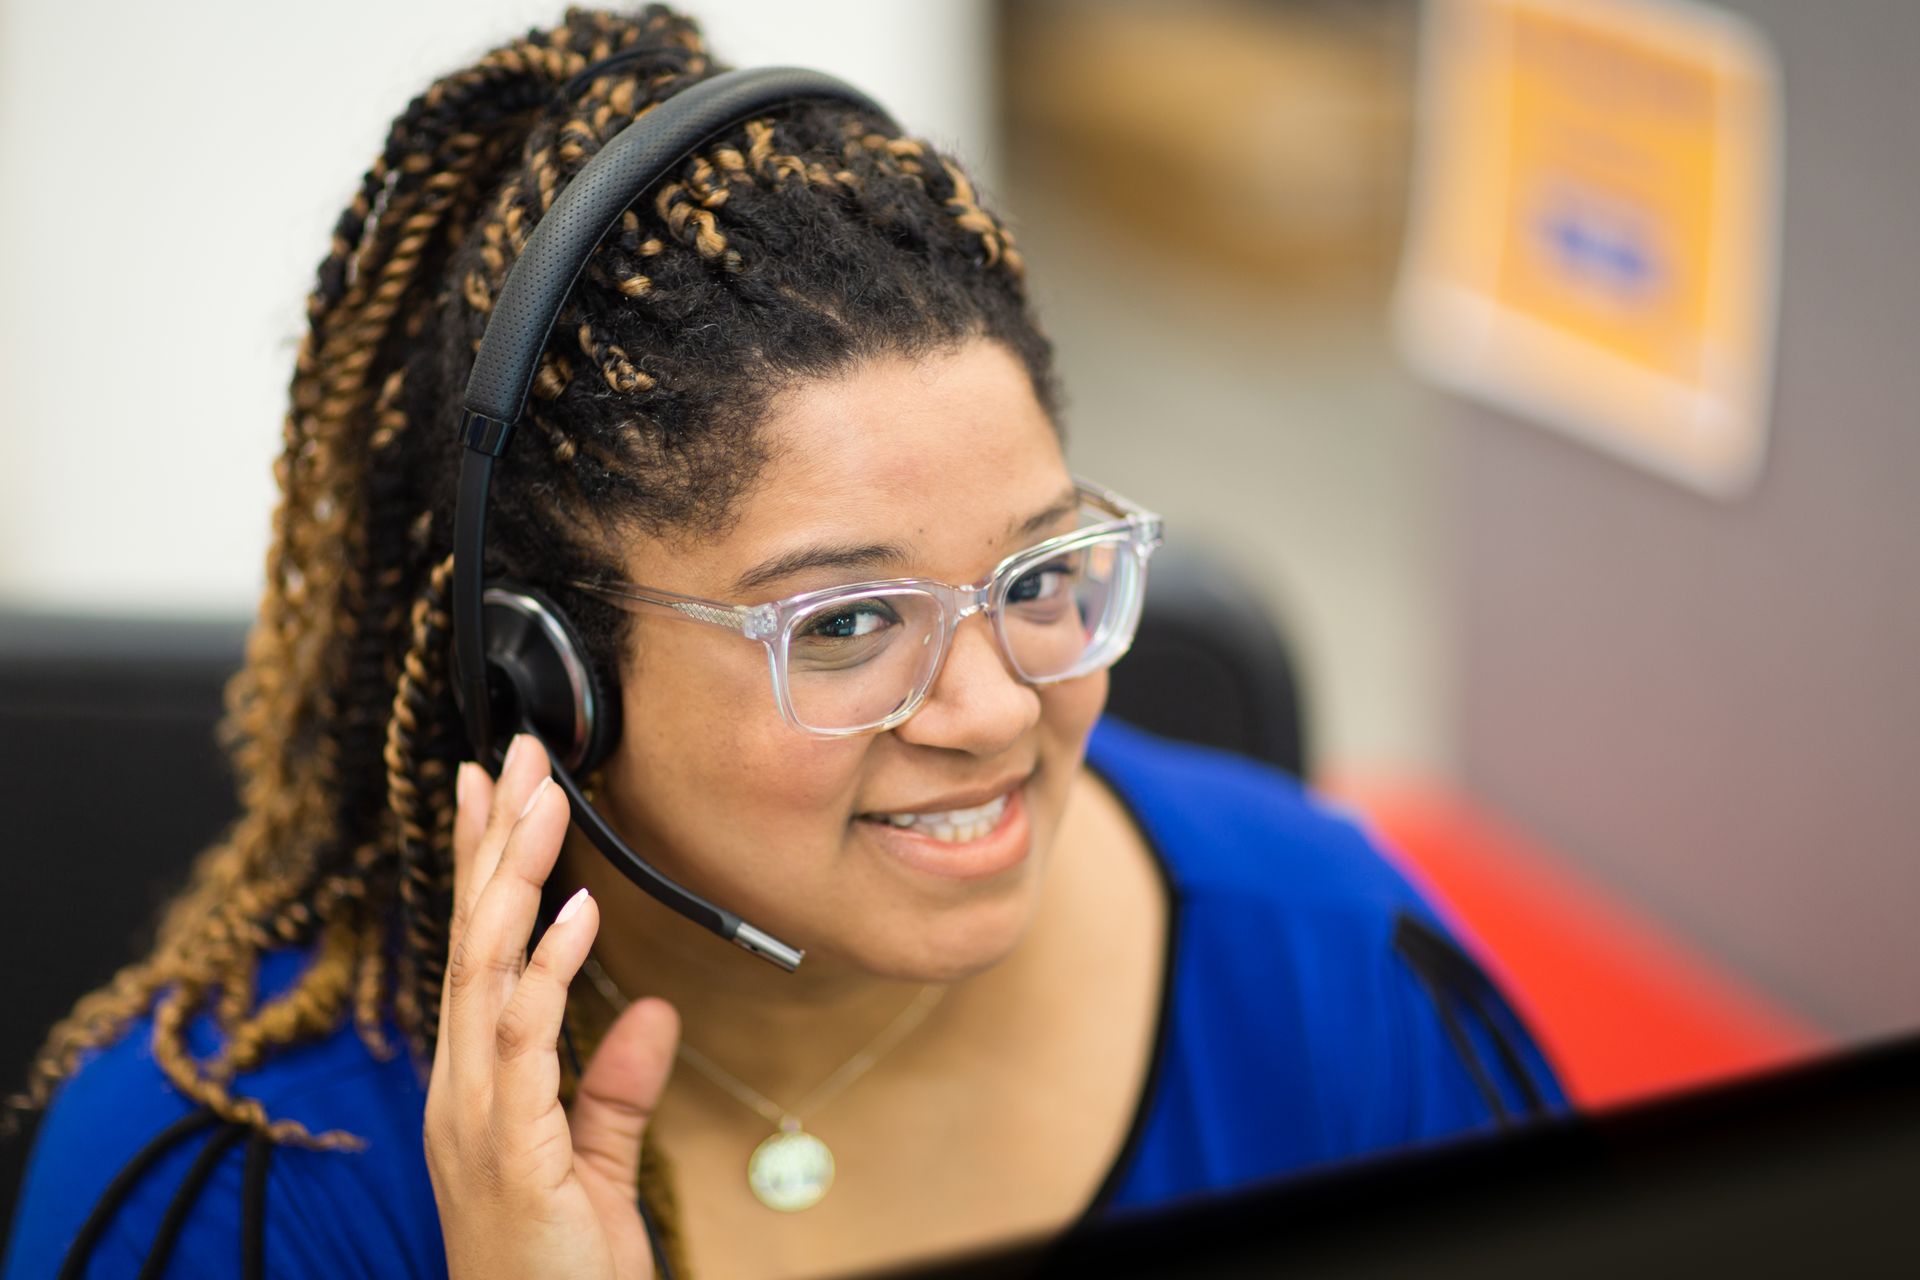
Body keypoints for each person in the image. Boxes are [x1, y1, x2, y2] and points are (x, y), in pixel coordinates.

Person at [1, 7, 1565, 1277]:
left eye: (1036, 572)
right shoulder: (243, 1185)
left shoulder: (1334, 964)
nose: (993, 711)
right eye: (850, 623)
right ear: (543, 674)